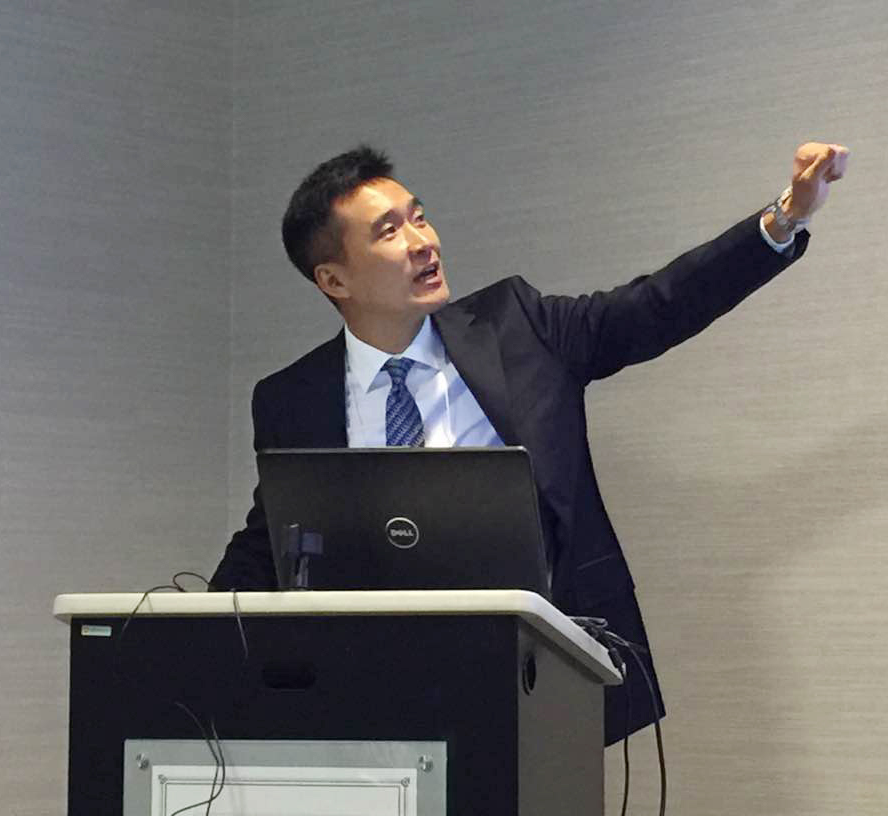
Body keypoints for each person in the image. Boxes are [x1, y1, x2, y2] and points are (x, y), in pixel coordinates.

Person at [210, 141, 849, 744]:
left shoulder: (518, 327)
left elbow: (656, 306)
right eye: (389, 231)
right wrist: (184, 640)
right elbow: (276, 534)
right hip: (372, 697)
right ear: (334, 280)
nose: (423, 242)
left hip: (534, 682)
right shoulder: (291, 398)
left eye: (419, 218)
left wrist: (784, 218)